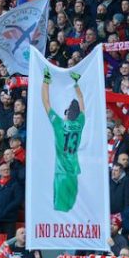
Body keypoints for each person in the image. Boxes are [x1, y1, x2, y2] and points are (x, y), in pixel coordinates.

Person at [41, 65, 87, 211]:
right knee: (71, 212)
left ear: (67, 113)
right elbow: (81, 100)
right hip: (74, 173)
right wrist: (76, 83)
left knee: (60, 213)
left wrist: (46, 80)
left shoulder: (59, 124)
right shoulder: (80, 123)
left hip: (61, 173)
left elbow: (46, 103)